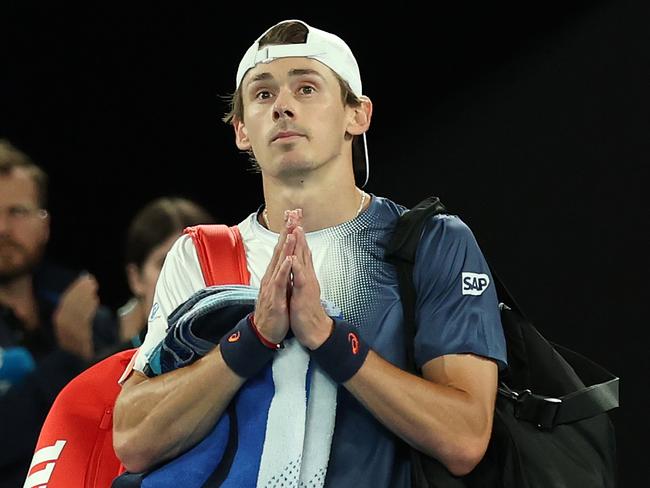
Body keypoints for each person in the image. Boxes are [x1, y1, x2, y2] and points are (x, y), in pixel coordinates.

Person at [113, 20, 507, 487]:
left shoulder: (430, 243)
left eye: (306, 88)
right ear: (242, 131)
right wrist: (255, 337)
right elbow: (133, 439)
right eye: (262, 95)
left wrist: (326, 336)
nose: (282, 106)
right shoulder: (200, 254)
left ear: (357, 115)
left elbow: (463, 439)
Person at [0, 139, 117, 486]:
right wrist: (68, 356)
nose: (3, 229)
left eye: (17, 212)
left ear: (45, 225)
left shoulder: (78, 306)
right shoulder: (72, 322)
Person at [109, 196, 216, 354]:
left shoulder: (247, 358)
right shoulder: (108, 372)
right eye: (164, 263)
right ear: (136, 278)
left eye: (195, 262)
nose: (181, 277)